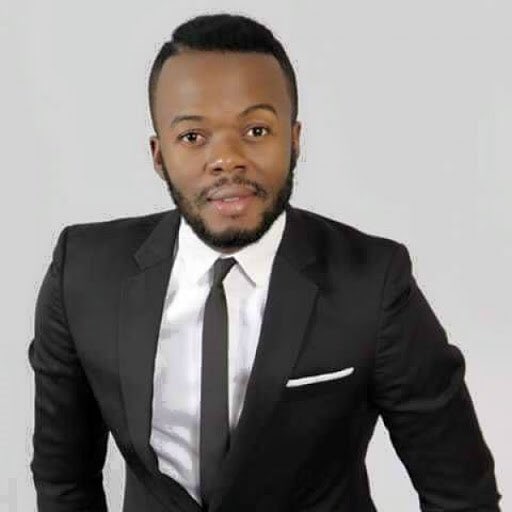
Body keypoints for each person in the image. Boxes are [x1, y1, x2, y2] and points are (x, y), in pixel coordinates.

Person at [28, 13, 501, 512]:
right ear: (158, 154)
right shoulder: (82, 273)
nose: (227, 159)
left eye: (256, 130)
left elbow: (460, 495)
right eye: (193, 136)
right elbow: (63, 481)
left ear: (294, 139)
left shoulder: (373, 283)